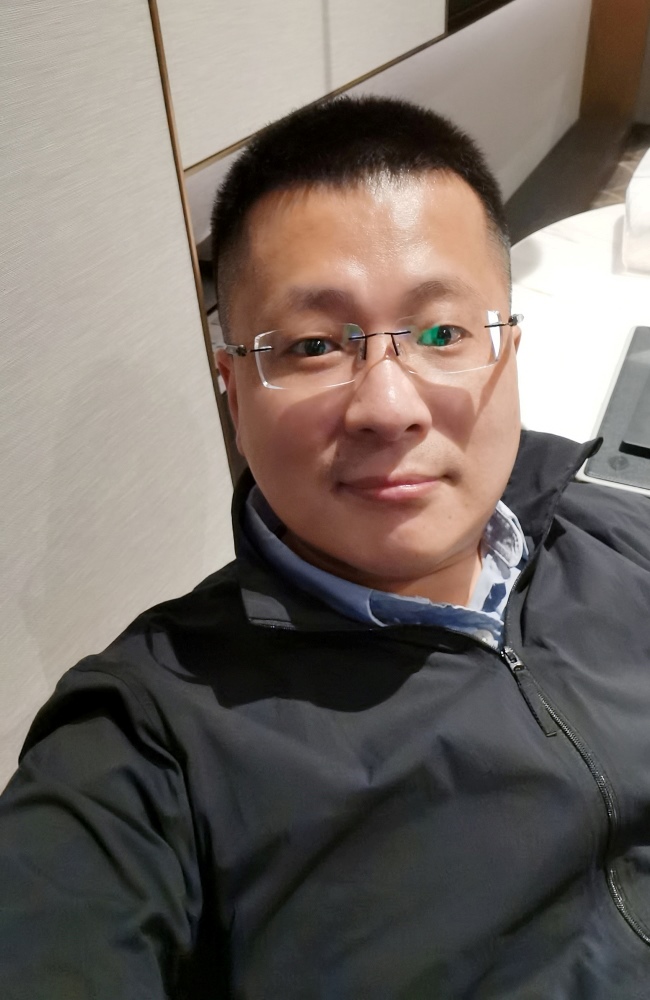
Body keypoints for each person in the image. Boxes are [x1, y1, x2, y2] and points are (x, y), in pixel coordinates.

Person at [2, 95, 650, 1000]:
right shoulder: (155, 739)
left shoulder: (612, 529)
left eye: (442, 333)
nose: (388, 406)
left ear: (509, 348)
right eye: (312, 345)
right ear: (233, 389)